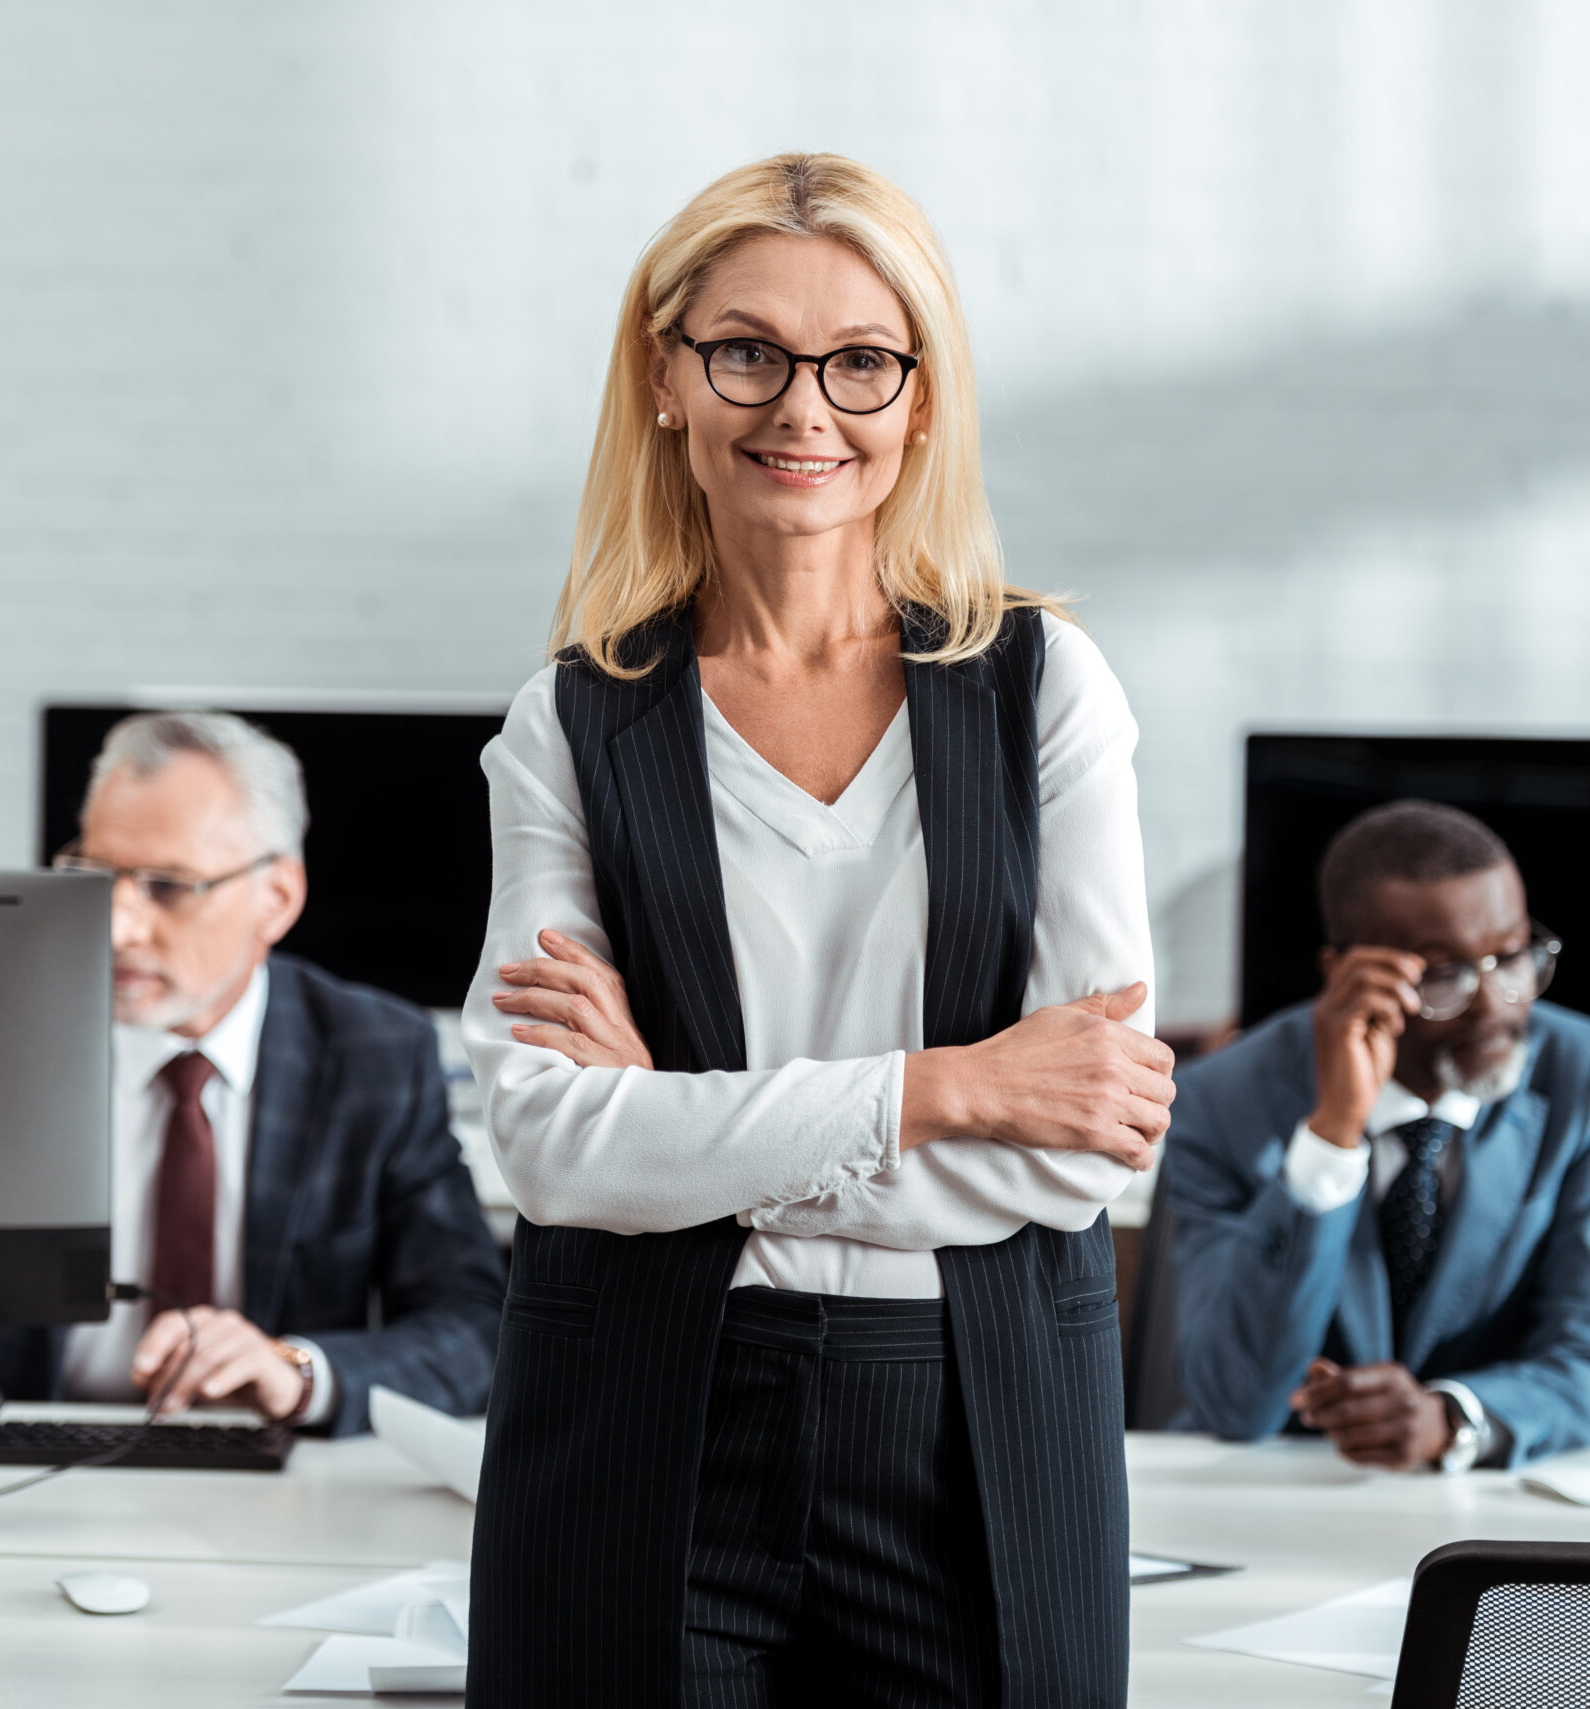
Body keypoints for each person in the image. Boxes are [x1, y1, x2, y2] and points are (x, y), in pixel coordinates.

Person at [461, 154, 1174, 1707]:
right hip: (642, 1421)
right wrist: (949, 1088)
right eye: (748, 352)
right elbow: (550, 1145)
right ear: (666, 377)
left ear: (922, 399)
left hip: (973, 1427)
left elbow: (1086, 1142)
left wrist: (685, 1140)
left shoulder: (1043, 688)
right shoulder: (572, 724)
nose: (804, 408)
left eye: (861, 360)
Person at [0, 710, 504, 1432]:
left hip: (266, 1473)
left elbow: (476, 1328)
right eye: (95, 876)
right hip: (19, 1461)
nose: (117, 926)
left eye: (168, 885)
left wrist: (296, 1372)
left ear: (277, 898)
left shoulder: (373, 1054)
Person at [1157, 800, 1590, 1471]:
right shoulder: (1217, 1102)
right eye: (1443, 972)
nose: (1495, 1003)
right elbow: (1235, 1402)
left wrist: (1453, 1417)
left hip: (1499, 1497)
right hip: (1278, 1494)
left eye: (1510, 957)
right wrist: (1331, 1136)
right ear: (1345, 973)